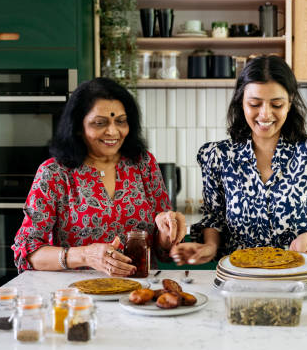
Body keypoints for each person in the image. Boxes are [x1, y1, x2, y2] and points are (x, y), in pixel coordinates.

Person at [170, 55, 307, 268]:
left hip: (300, 275)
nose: (265, 114)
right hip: (241, 278)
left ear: (290, 103)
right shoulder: (218, 156)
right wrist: (209, 247)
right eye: (255, 104)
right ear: (241, 103)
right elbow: (214, 220)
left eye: (276, 104)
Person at [12, 77, 186, 275]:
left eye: (120, 121)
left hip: (138, 295)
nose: (113, 131)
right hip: (77, 298)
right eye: (99, 123)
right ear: (78, 127)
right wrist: (86, 255)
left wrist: (166, 233)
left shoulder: (143, 164)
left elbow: (161, 251)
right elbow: (26, 251)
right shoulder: (55, 173)